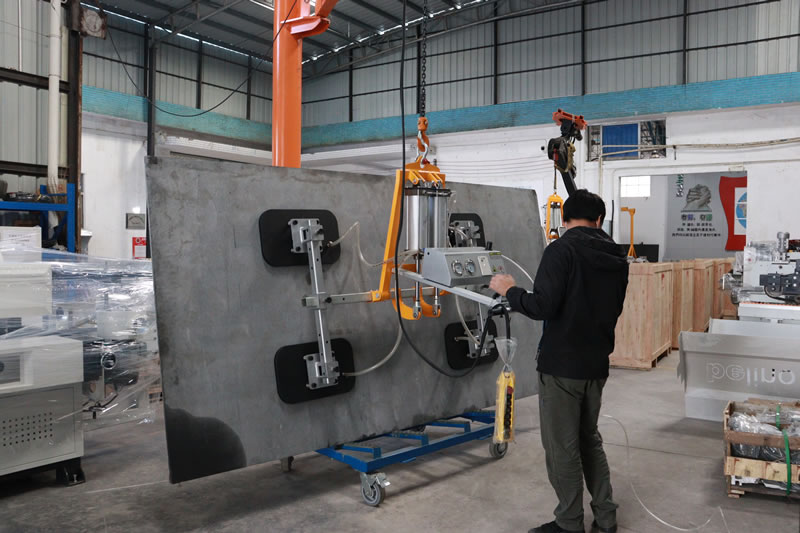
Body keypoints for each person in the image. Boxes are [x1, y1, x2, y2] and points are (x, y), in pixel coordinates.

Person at [489, 189, 629, 533]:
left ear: (563, 220)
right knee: (588, 440)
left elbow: (543, 306)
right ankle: (606, 518)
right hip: (596, 363)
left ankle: (568, 523)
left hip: (562, 365)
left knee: (562, 448)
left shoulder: (561, 250)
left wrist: (510, 290)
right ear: (600, 220)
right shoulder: (617, 256)